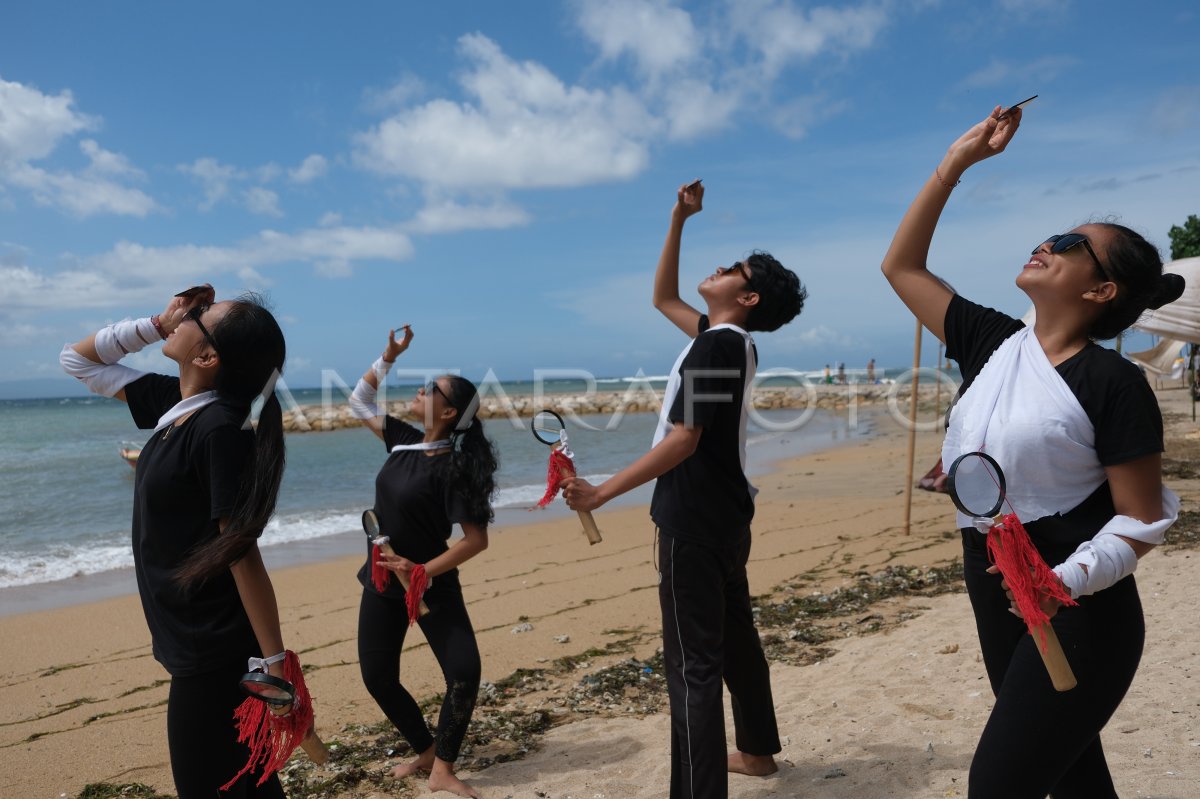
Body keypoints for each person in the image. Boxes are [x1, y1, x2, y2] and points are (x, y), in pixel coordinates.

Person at [882, 106, 1183, 798]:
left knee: (997, 783)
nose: (1046, 243)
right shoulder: (991, 345)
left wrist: (1062, 581)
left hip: (1080, 609)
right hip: (994, 587)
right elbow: (900, 265)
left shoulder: (1113, 381)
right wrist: (955, 165)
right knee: (1074, 779)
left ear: (1100, 289)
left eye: (1070, 242)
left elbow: (1141, 518)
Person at [563, 180, 807, 799]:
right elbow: (662, 296)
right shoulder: (727, 341)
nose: (721, 267)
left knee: (693, 666)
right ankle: (755, 751)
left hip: (693, 519)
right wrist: (678, 218)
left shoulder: (714, 347)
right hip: (727, 515)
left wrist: (599, 494)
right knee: (736, 641)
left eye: (736, 270)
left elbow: (682, 440)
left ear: (747, 296)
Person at [61, 286, 294, 798]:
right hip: (194, 638)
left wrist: (276, 666)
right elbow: (76, 361)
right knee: (244, 784)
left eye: (201, 315)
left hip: (213, 647)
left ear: (208, 356)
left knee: (214, 786)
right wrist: (157, 323)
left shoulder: (217, 430)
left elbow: (241, 551)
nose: (190, 312)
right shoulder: (180, 407)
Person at [348, 325, 497, 799]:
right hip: (380, 581)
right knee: (378, 678)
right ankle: (427, 748)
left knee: (464, 671)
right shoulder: (402, 440)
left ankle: (444, 770)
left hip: (429, 584)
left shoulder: (454, 467)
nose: (421, 389)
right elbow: (359, 401)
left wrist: (421, 572)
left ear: (449, 411)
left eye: (432, 389)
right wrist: (387, 356)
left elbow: (476, 540)